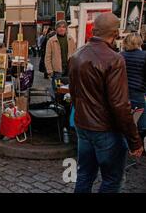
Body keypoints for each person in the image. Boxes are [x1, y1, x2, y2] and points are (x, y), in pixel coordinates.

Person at [69, 13, 143, 193]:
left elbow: (73, 93)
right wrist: (135, 141)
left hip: (83, 125)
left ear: (94, 30)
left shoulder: (77, 54)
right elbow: (120, 104)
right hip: (105, 129)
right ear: (115, 33)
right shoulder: (114, 59)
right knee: (112, 180)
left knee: (85, 174)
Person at [120, 33, 146, 143]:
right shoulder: (144, 55)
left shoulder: (119, 56)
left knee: (125, 122)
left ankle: (127, 146)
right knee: (141, 123)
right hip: (139, 92)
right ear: (139, 42)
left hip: (122, 93)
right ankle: (138, 148)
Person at [45, 20, 76, 95]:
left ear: (66, 29)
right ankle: (57, 104)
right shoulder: (51, 41)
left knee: (68, 90)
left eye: (63, 27)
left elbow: (75, 54)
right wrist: (49, 70)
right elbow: (47, 57)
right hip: (57, 71)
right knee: (57, 90)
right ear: (56, 29)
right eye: (59, 27)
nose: (61, 29)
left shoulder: (70, 39)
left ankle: (65, 105)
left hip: (68, 69)